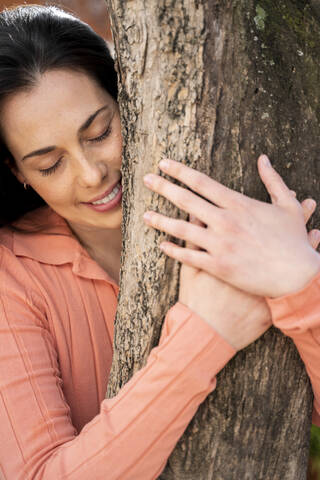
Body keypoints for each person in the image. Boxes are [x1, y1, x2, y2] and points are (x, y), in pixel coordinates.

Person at [0, 4, 318, 479]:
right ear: (18, 173)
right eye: (50, 165)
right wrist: (205, 334)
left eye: (101, 132)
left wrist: (302, 284)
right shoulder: (12, 279)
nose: (92, 174)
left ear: (131, 96)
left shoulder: (251, 215)